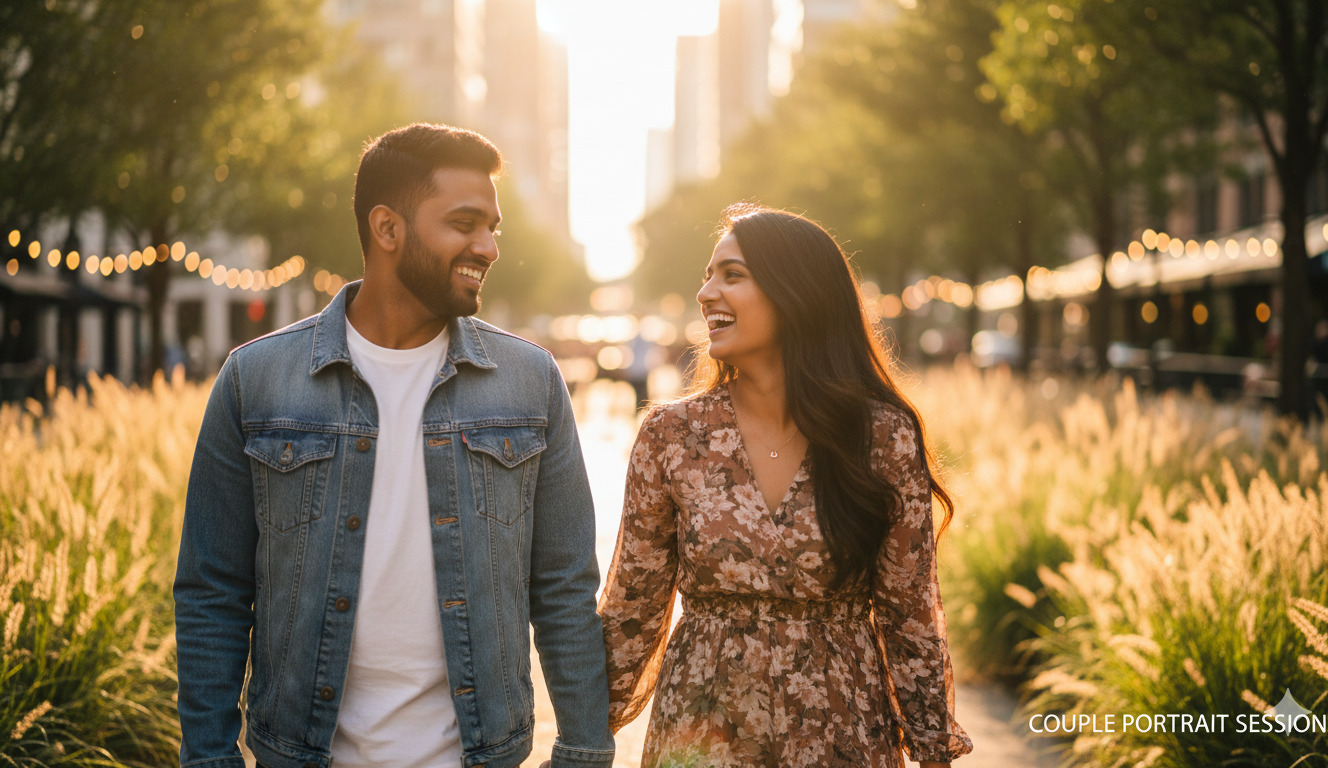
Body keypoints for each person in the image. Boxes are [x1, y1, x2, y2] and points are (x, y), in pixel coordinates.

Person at [174, 123, 615, 768]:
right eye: (465, 223)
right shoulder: (255, 379)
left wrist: (582, 752)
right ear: (387, 229)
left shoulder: (530, 382)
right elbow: (214, 590)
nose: (488, 246)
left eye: (494, 227)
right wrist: (210, 759)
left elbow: (563, 587)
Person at [599, 203, 973, 767]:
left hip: (841, 733)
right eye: (708, 274)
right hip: (702, 735)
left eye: (732, 275)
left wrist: (933, 750)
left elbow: (910, 614)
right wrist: (583, 732)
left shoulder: (881, 438)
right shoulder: (672, 435)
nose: (705, 293)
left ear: (796, 293)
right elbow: (632, 608)